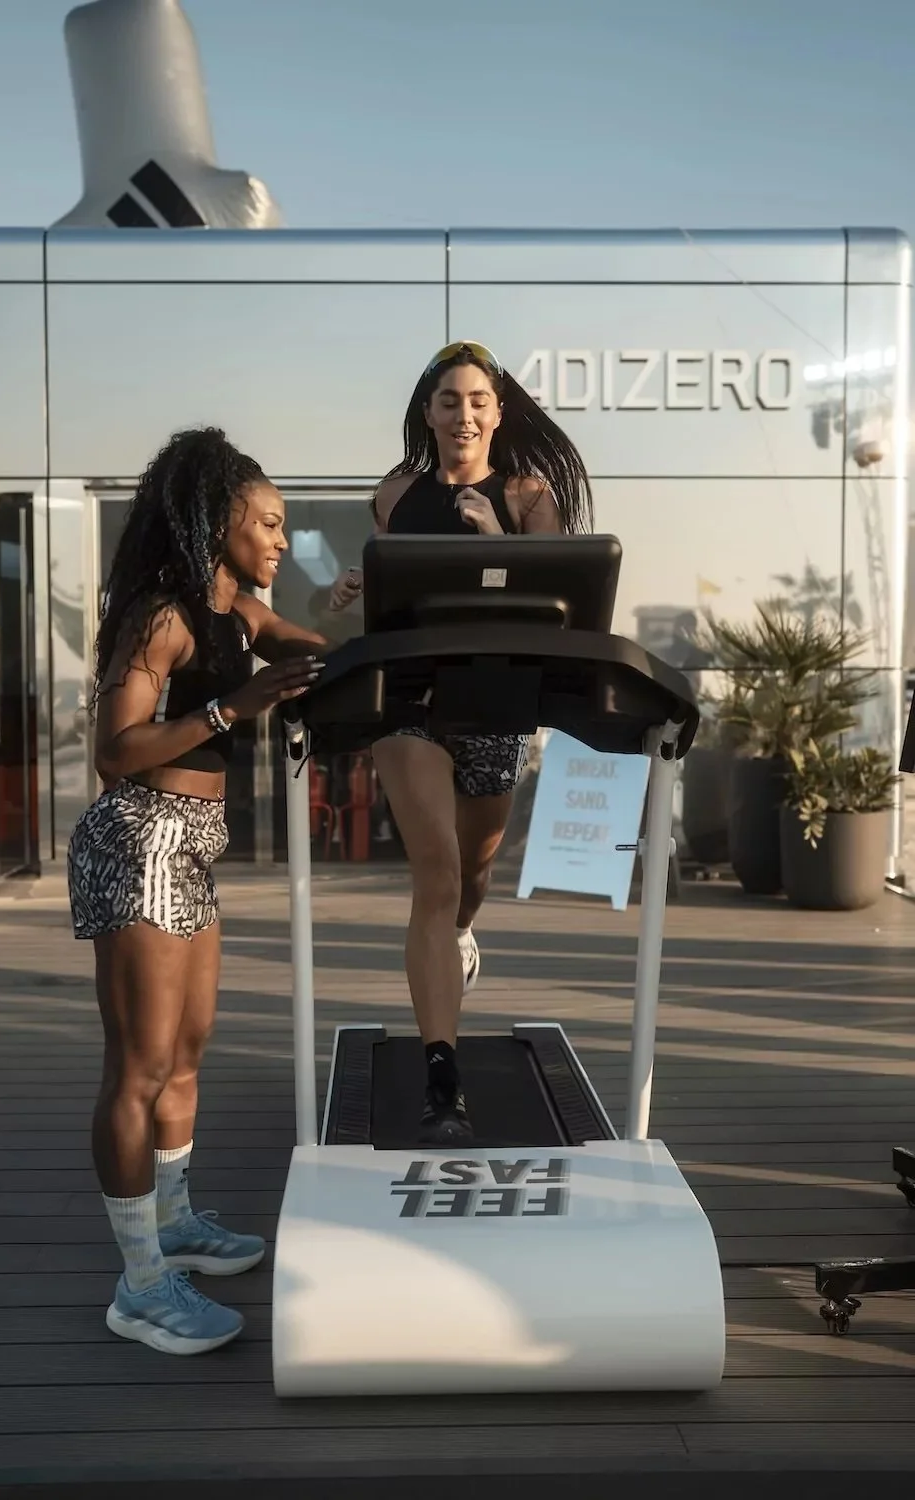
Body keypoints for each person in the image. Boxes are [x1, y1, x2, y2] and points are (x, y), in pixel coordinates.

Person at [68, 427, 326, 1356]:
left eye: (286, 527)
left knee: (186, 1051)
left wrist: (333, 628)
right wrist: (230, 710)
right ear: (219, 520)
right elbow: (113, 752)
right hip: (140, 837)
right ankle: (140, 1284)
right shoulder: (162, 615)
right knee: (137, 1066)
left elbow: (301, 643)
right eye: (268, 522)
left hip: (195, 847)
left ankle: (171, 1222)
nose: (281, 540)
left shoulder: (236, 608)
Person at [328, 340, 593, 1145]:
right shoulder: (396, 492)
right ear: (428, 411)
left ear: (497, 411)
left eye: (477, 400)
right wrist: (355, 585)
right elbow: (397, 594)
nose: (464, 413)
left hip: (497, 706)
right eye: (449, 400)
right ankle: (443, 1078)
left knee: (470, 880)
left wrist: (499, 542)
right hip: (411, 703)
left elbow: (565, 605)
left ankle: (465, 934)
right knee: (435, 877)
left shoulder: (527, 493)